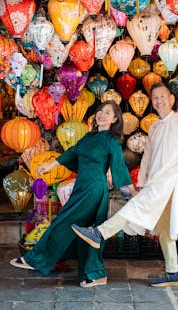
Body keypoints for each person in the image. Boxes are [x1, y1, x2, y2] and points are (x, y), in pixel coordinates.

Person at [71, 82, 178, 288]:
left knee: (135, 208)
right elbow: (147, 157)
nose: (159, 101)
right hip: (156, 181)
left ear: (171, 99)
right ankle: (173, 273)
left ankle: (99, 233)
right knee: (165, 228)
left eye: (162, 96)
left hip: (169, 181)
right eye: (155, 97)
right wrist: (141, 182)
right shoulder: (154, 126)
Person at [10, 100, 137, 288]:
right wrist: (49, 166)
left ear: (115, 119)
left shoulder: (112, 141)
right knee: (85, 231)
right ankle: (94, 274)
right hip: (82, 186)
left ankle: (36, 258)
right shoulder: (88, 137)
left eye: (108, 113)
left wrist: (133, 192)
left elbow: (119, 168)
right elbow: (71, 153)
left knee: (65, 221)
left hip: (94, 189)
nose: (101, 114)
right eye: (100, 111)